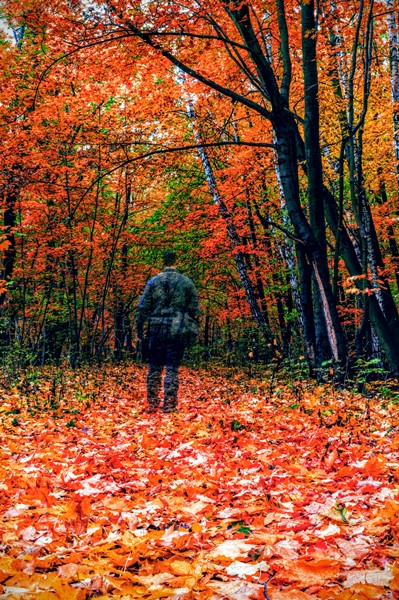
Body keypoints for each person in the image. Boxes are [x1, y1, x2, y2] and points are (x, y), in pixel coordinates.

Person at [136, 250, 200, 413]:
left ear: (163, 262)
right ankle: (170, 404)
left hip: (156, 329)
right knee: (172, 367)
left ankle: (152, 403)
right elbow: (195, 309)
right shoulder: (186, 282)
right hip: (177, 329)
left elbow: (142, 307)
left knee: (154, 366)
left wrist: (139, 329)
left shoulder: (153, 282)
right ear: (175, 261)